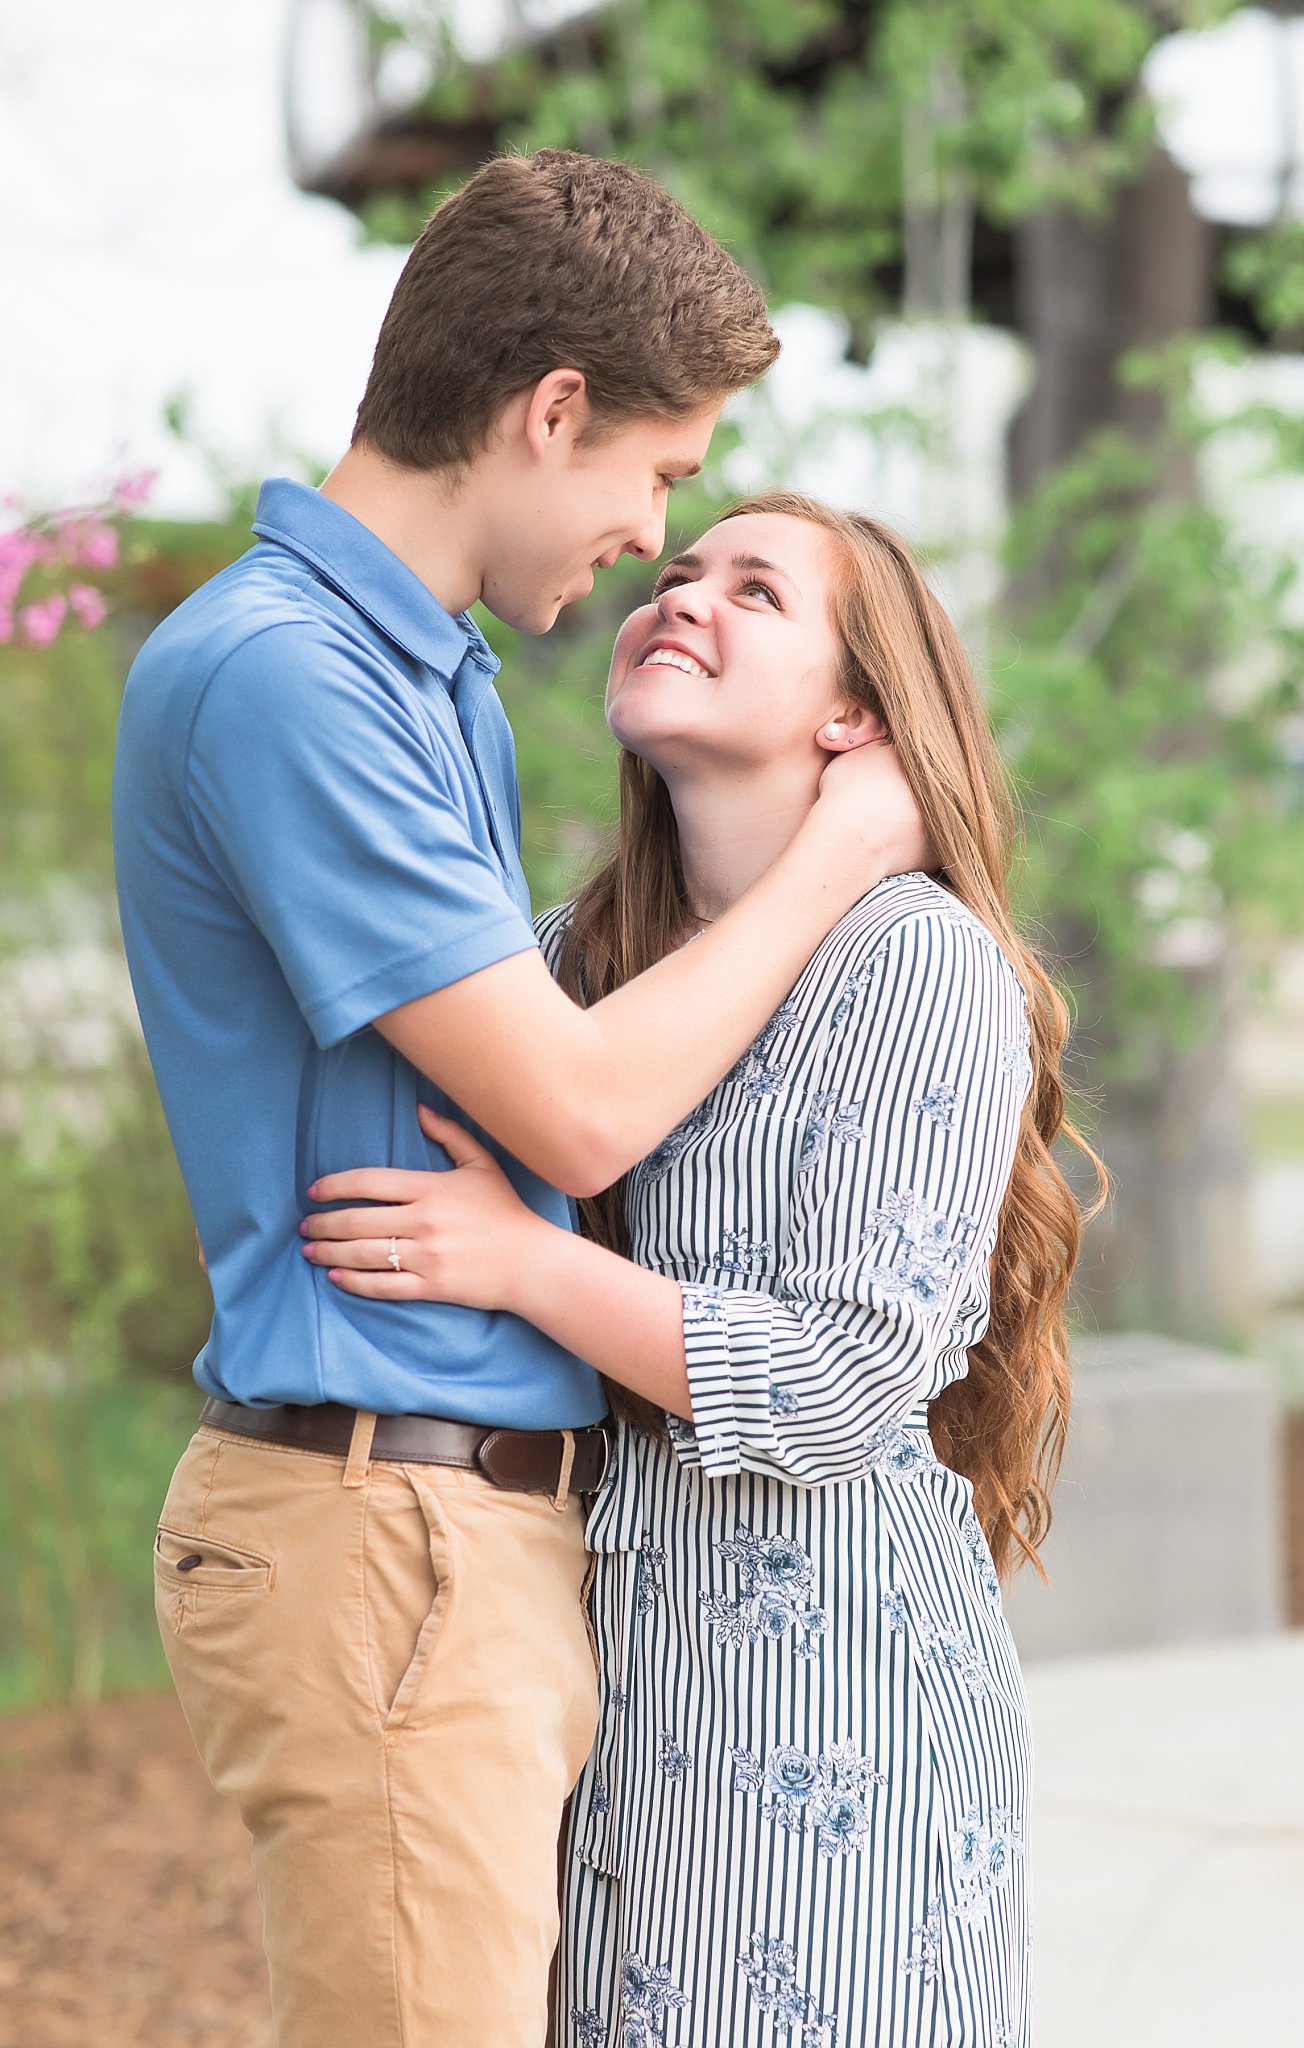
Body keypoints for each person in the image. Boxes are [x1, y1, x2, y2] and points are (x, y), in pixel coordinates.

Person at [112, 156, 928, 2048]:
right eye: (660, 471)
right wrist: (846, 850)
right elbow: (573, 1113)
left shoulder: (431, 678)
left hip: (452, 1537)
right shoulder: (284, 679)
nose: (654, 532)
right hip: (381, 1528)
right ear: (551, 410)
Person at [302, 492, 1102, 2047]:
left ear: (854, 717)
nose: (681, 596)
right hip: (598, 1677)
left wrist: (522, 1264)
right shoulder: (570, 966)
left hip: (830, 1723)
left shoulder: (914, 962)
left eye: (755, 592)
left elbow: (841, 1382)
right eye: (674, 573)